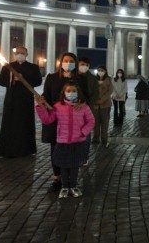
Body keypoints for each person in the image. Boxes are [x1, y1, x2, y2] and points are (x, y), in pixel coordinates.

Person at [35, 83, 94, 199]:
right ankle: (65, 187)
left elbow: (91, 121)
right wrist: (40, 107)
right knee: (63, 165)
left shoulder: (84, 107)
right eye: (68, 90)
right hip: (62, 141)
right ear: (64, 93)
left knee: (74, 166)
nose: (71, 92)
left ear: (78, 92)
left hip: (77, 141)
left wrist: (83, 132)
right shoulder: (58, 106)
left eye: (73, 90)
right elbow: (48, 119)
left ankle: (73, 186)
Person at [42, 52, 89, 192]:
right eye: (65, 60)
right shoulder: (51, 78)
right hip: (55, 120)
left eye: (71, 61)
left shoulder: (80, 79)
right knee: (56, 150)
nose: (68, 63)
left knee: (72, 151)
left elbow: (85, 96)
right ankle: (57, 178)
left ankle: (71, 179)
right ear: (61, 62)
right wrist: (42, 101)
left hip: (72, 122)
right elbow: (46, 95)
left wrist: (82, 102)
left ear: (75, 63)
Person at [0, 46, 42, 158]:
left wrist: (24, 78)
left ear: (26, 54)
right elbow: (1, 81)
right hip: (11, 100)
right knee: (10, 125)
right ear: (15, 54)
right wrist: (12, 79)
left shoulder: (33, 67)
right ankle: (8, 150)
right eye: (18, 52)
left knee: (25, 125)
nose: (20, 54)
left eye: (22, 53)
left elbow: (38, 81)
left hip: (25, 101)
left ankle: (25, 150)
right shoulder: (8, 67)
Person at [78, 57, 99, 165]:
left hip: (87, 109)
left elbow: (96, 94)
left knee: (86, 134)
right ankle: (76, 156)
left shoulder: (93, 79)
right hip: (74, 110)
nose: (84, 66)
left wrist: (89, 107)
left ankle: (84, 157)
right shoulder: (73, 76)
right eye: (82, 64)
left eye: (86, 65)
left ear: (89, 66)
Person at [93, 66, 113, 147]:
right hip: (95, 105)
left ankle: (104, 139)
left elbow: (110, 91)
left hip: (105, 105)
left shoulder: (109, 79)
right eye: (99, 70)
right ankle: (95, 138)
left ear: (105, 71)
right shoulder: (94, 79)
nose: (100, 72)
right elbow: (91, 90)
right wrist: (95, 100)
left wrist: (102, 100)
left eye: (102, 70)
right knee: (96, 123)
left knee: (104, 123)